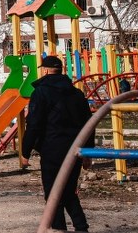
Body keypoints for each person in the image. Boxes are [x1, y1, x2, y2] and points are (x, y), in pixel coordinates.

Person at [21, 55, 94, 232]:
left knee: (53, 194)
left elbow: (34, 124)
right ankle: (81, 227)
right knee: (68, 191)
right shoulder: (77, 94)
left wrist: (25, 151)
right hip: (75, 150)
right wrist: (87, 152)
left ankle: (59, 228)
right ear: (61, 71)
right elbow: (89, 124)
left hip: (52, 149)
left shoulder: (40, 93)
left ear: (45, 70)